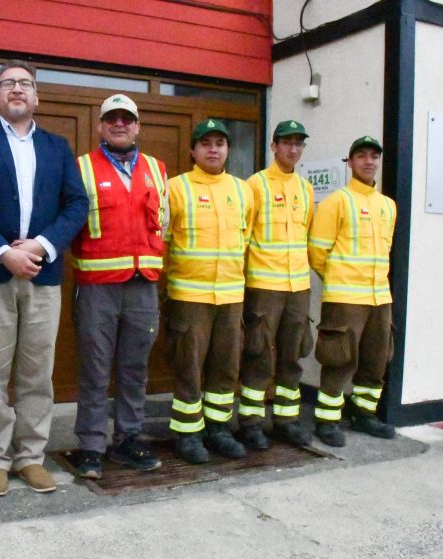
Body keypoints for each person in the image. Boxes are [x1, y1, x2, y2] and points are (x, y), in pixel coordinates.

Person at [0, 60, 88, 496]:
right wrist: (3, 252)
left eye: (25, 84)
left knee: (37, 371)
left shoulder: (57, 146)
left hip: (44, 274)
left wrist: (40, 247)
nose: (17, 89)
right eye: (8, 84)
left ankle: (31, 455)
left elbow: (76, 205)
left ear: (36, 97)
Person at [71, 94, 168, 479]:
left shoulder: (158, 170)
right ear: (100, 126)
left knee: (134, 368)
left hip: (143, 286)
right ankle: (91, 446)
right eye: (112, 119)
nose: (120, 124)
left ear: (138, 126)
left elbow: (166, 227)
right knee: (94, 370)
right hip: (97, 287)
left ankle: (128, 438)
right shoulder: (81, 168)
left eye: (127, 119)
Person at [164, 119, 254, 464]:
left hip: (231, 297)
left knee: (225, 368)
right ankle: (187, 434)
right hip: (190, 298)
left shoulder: (243, 191)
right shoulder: (176, 188)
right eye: (206, 144)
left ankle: (218, 429)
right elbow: (164, 243)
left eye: (220, 143)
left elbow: (244, 242)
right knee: (189, 369)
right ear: (193, 151)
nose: (213, 149)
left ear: (228, 149)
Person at [308, 136, 397, 447]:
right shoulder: (337, 202)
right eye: (361, 156)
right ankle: (327, 420)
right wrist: (338, 279)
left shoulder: (388, 206)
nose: (369, 161)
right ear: (351, 162)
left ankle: (364, 413)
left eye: (374, 156)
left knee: (376, 360)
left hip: (379, 298)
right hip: (345, 299)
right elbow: (317, 252)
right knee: (338, 360)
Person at [238, 120, 316, 450]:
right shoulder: (255, 185)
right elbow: (243, 235)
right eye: (287, 143)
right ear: (274, 147)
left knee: (291, 357)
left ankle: (286, 420)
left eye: (299, 143)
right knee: (258, 357)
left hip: (298, 287)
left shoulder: (306, 188)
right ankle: (251, 423)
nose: (293, 149)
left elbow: (308, 236)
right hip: (264, 286)